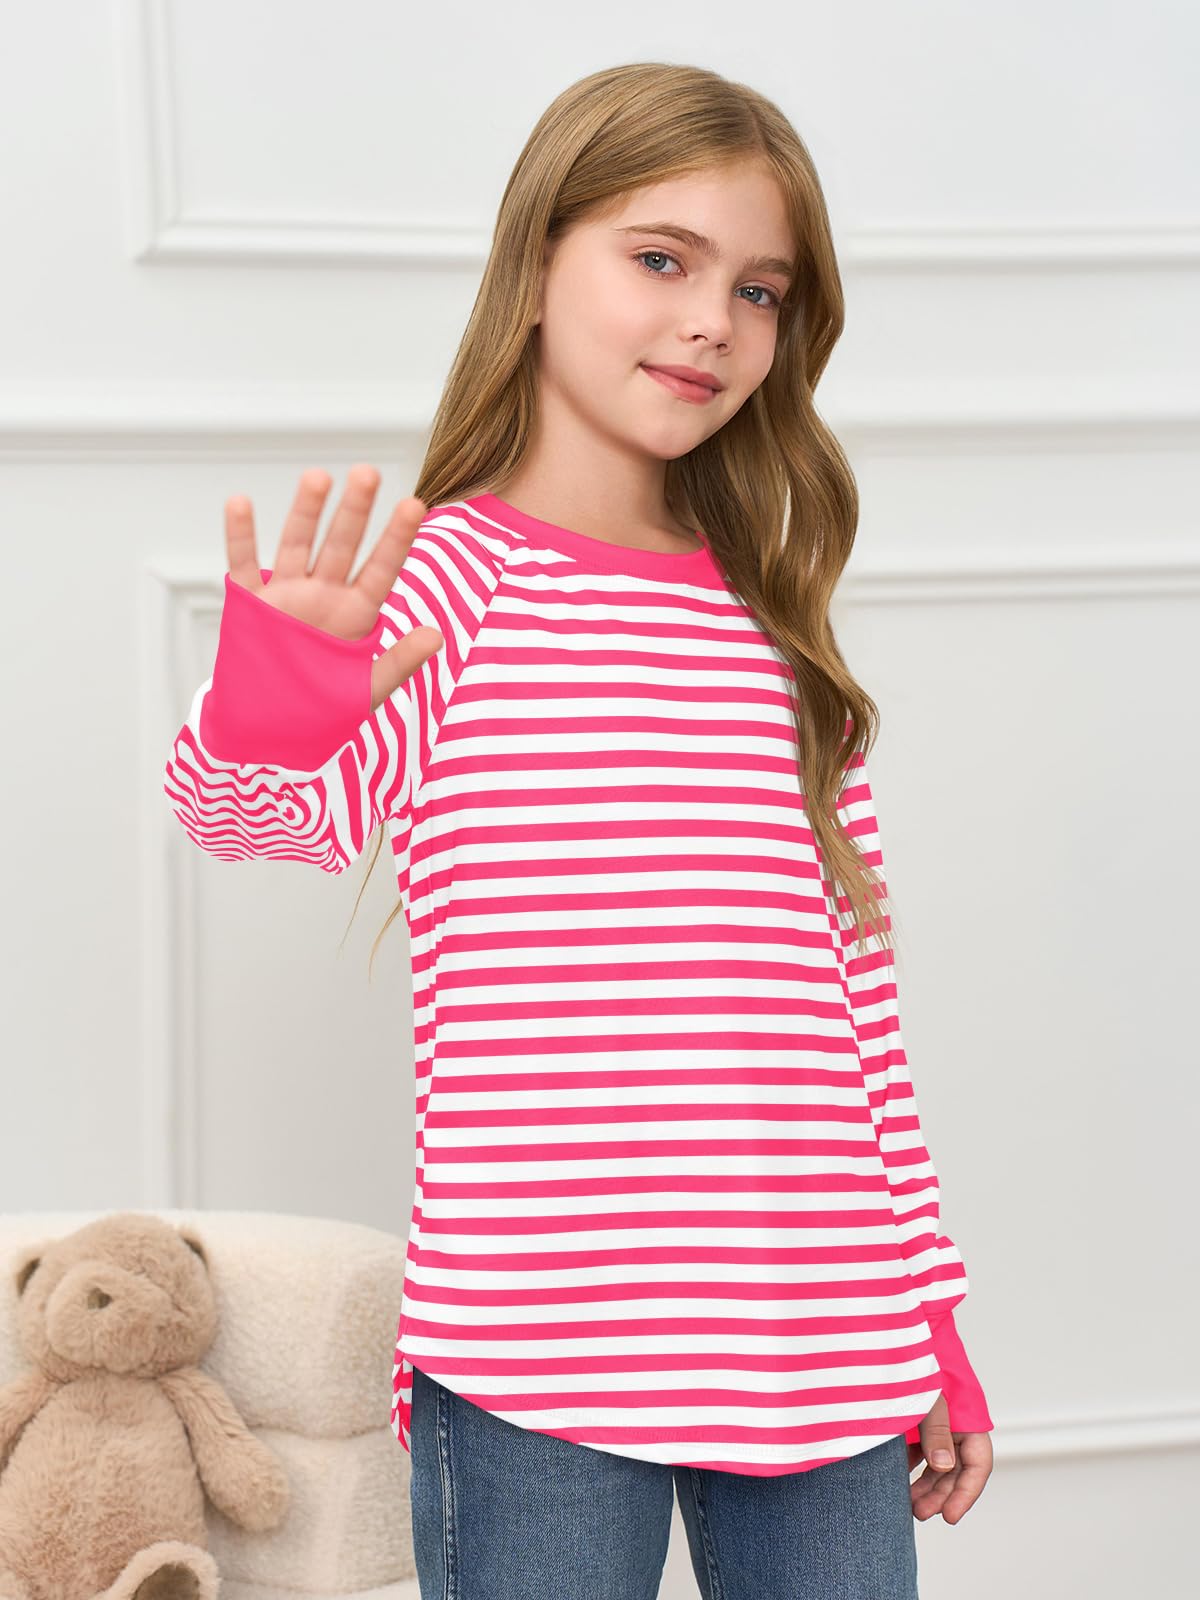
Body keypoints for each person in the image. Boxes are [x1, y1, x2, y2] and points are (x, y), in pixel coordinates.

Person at [163, 60, 994, 1600]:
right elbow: (253, 822)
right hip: (535, 1347)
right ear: (537, 265)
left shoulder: (772, 625)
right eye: (662, 260)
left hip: (818, 1337)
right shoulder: (453, 583)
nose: (713, 321)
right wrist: (274, 705)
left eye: (758, 290)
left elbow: (856, 1016)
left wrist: (924, 1316)